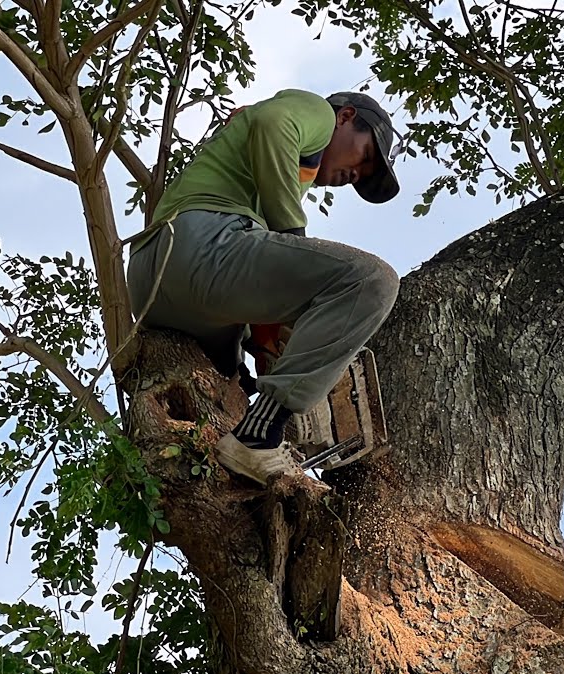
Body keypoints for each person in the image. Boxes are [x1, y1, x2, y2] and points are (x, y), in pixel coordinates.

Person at [126, 89, 402, 485]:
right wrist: (294, 239)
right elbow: (274, 123)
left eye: (364, 176)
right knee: (372, 281)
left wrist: (264, 341)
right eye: (366, 155)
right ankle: (259, 436)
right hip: (201, 246)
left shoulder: (273, 169)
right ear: (345, 117)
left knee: (235, 387)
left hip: (151, 283)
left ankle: (247, 431)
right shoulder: (318, 113)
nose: (357, 173)